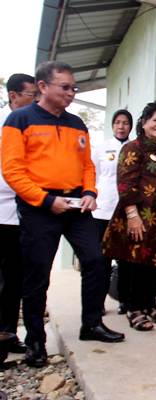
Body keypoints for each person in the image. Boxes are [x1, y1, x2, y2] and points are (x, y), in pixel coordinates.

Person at [1, 61, 125, 368]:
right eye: (65, 87)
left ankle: (91, 324)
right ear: (43, 87)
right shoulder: (19, 119)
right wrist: (45, 200)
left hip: (75, 205)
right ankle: (35, 342)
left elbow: (87, 166)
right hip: (38, 207)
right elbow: (12, 170)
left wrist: (89, 193)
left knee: (95, 260)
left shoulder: (77, 124)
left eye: (74, 88)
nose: (71, 93)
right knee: (37, 274)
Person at [102, 100, 156, 332]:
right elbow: (126, 184)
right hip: (139, 216)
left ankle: (149, 304)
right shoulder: (133, 148)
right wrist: (132, 215)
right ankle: (132, 307)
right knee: (135, 262)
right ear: (144, 123)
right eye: (154, 120)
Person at [0, 73, 36, 354]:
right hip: (3, 216)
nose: (36, 101)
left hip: (23, 216)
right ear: (14, 96)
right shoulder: (5, 127)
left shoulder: (31, 126)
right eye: (31, 96)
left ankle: (9, 334)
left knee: (15, 280)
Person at [91, 109, 133, 314]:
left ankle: (124, 300)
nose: (121, 126)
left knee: (125, 259)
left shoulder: (135, 148)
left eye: (125, 123)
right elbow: (94, 175)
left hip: (126, 212)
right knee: (102, 260)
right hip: (103, 211)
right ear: (112, 125)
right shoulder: (101, 148)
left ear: (131, 126)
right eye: (117, 122)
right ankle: (98, 303)